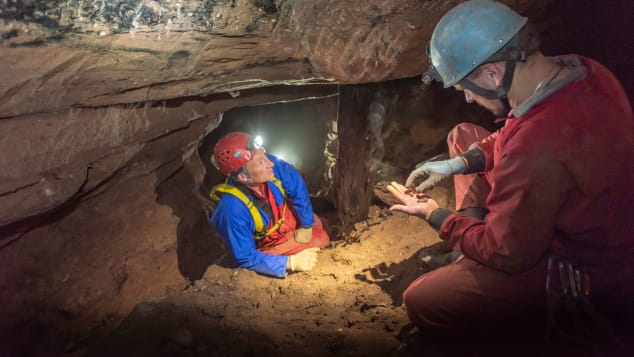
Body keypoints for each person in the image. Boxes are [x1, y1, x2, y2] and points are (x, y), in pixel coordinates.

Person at [388, 0, 634, 338]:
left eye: (466, 90)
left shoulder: (538, 144)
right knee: (464, 137)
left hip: (583, 267)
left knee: (423, 300)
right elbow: (514, 131)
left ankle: (477, 258)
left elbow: (507, 254)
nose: (469, 99)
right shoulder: (584, 70)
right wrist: (460, 163)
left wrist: (436, 215)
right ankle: (471, 245)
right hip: (591, 211)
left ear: (492, 73)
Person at [209, 131, 330, 278]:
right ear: (242, 176)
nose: (270, 163)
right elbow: (245, 257)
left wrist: (305, 224)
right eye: (260, 162)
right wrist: (290, 262)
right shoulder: (231, 211)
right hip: (268, 241)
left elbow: (295, 183)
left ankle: (314, 228)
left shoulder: (268, 167)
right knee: (321, 237)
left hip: (284, 217)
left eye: (264, 156)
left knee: (317, 224)